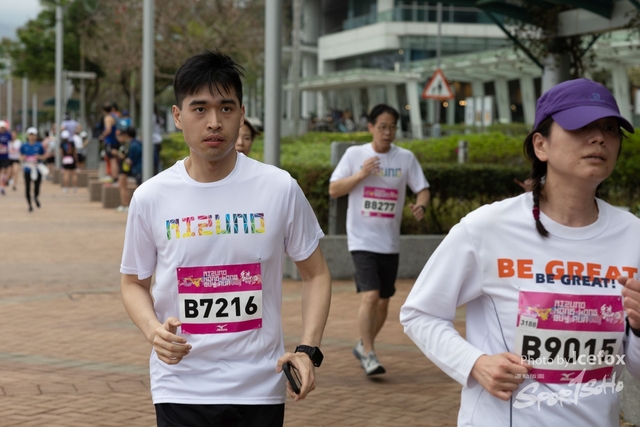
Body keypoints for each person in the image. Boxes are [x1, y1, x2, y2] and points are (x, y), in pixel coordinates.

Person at [400, 78, 640, 426]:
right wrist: (474, 363)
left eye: (610, 128)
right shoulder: (487, 227)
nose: (599, 138)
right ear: (541, 145)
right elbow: (420, 314)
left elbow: (632, 366)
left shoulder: (632, 235)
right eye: (581, 126)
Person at [119, 50, 332, 427]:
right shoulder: (151, 197)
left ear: (242, 114)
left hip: (259, 386)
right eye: (200, 109)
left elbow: (316, 274)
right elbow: (133, 282)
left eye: (226, 108)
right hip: (180, 386)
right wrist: (153, 331)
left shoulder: (279, 188)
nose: (214, 122)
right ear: (178, 116)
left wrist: (307, 349)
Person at [328, 104, 430, 376]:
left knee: (384, 301)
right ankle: (370, 353)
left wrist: (421, 205)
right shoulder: (355, 155)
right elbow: (334, 189)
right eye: (382, 127)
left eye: (392, 127)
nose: (387, 132)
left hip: (389, 242)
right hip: (361, 240)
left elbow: (422, 189)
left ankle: (363, 344)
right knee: (371, 295)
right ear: (371, 127)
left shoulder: (405, 158)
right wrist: (361, 174)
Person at [112, 126, 142, 213]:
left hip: (125, 169)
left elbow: (127, 158)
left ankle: (125, 204)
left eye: (121, 135)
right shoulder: (126, 144)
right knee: (122, 186)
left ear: (126, 135)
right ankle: (125, 204)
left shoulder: (129, 145)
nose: (119, 137)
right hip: (124, 167)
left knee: (123, 186)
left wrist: (117, 153)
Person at [20, 127, 46, 212]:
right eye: (30, 135)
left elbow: (44, 156)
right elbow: (20, 156)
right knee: (27, 187)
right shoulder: (24, 146)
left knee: (37, 186)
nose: (32, 137)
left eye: (33, 135)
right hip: (27, 169)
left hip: (37, 169)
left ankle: (35, 197)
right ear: (28, 136)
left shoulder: (39, 145)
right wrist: (24, 157)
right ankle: (30, 205)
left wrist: (38, 157)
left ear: (36, 136)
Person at [100, 102, 119, 181]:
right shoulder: (115, 116)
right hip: (115, 141)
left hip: (110, 141)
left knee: (112, 160)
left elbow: (108, 130)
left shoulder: (107, 118)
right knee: (114, 159)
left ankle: (114, 177)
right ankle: (115, 176)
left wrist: (102, 135)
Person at [0, 120, 11, 195]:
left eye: (3, 127)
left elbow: (11, 142)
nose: (2, 129)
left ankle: (2, 187)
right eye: (1, 127)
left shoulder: (8, 134)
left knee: (4, 171)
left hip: (5, 157)